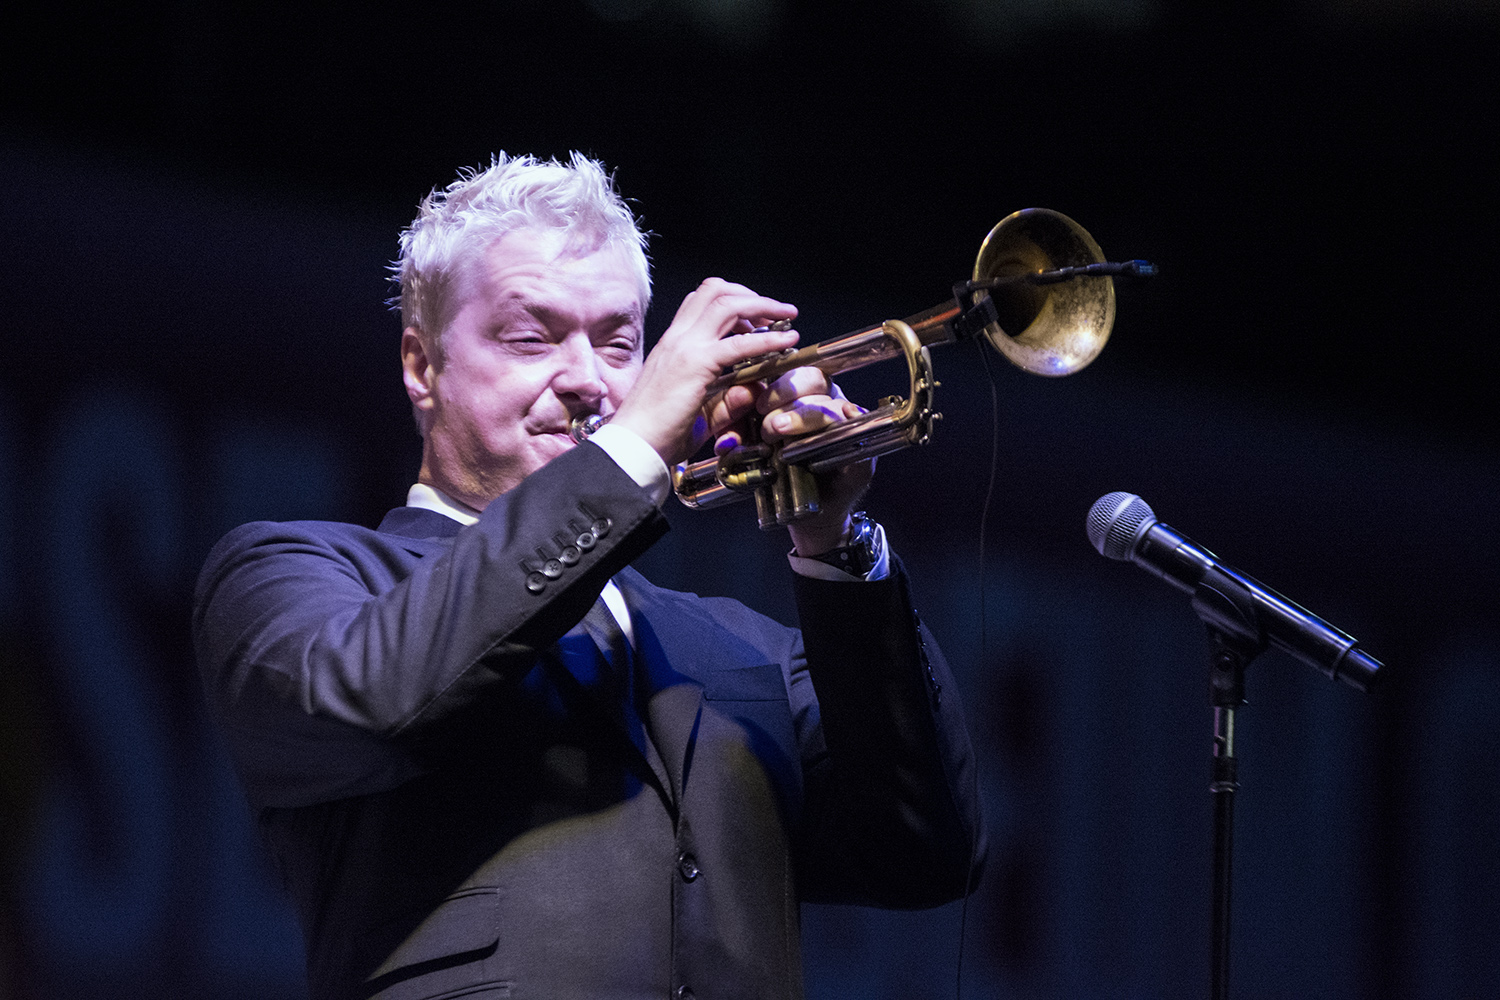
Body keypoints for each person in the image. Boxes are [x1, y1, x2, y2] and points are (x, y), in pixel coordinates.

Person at [193, 152, 985, 1000]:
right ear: (422, 367)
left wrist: (836, 543)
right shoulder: (295, 575)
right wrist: (635, 445)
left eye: (618, 344)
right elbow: (379, 700)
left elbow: (923, 850)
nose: (587, 382)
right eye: (532, 337)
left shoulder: (740, 646)